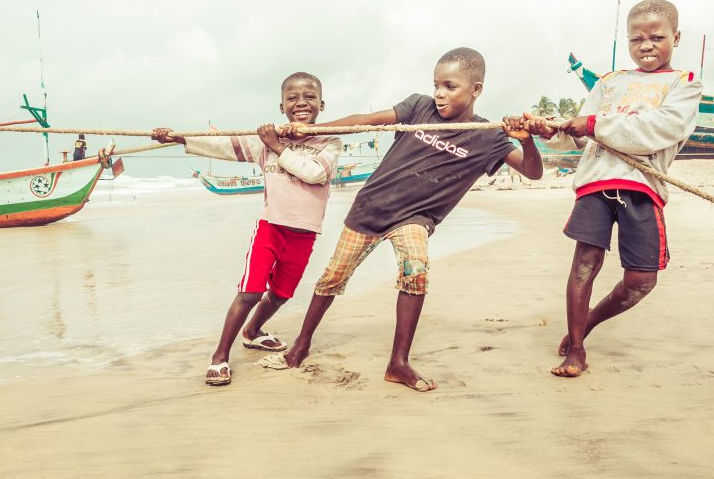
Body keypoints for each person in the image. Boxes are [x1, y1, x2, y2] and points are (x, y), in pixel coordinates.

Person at [277, 47, 544, 392]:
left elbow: (533, 172)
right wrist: (311, 131)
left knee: (415, 270)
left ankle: (398, 363)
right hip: (372, 207)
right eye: (437, 84)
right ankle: (301, 344)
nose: (439, 93)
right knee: (332, 278)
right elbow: (368, 120)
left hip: (415, 218)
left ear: (476, 89)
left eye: (450, 86)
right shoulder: (419, 107)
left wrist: (530, 141)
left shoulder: (488, 136)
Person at [528, 0, 702, 378]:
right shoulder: (609, 83)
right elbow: (577, 137)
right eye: (637, 38)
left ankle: (588, 321)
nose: (646, 45)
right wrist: (550, 130)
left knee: (642, 280)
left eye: (657, 37)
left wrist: (591, 123)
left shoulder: (684, 85)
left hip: (643, 186)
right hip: (596, 181)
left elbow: (659, 130)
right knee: (585, 263)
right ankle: (576, 349)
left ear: (676, 37)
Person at [152, 72, 342, 386]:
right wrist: (177, 137)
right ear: (282, 107)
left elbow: (314, 174)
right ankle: (220, 356)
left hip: (305, 232)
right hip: (271, 227)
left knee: (280, 295)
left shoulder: (329, 142)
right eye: (292, 98)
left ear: (321, 104)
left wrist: (278, 147)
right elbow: (223, 145)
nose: (301, 103)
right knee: (251, 291)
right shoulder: (263, 142)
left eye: (309, 97)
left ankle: (253, 332)